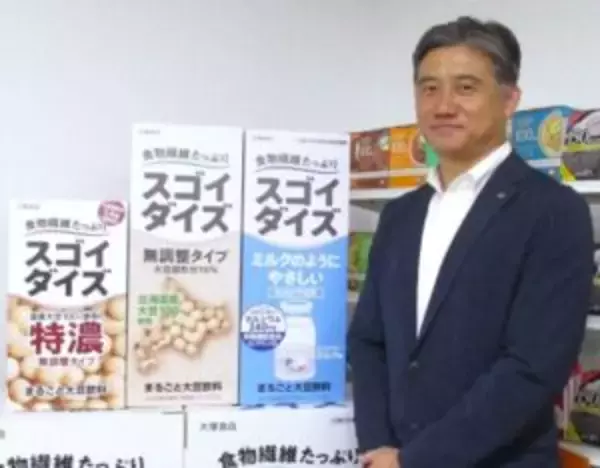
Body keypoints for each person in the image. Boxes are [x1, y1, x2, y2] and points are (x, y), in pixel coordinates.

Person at [347, 16, 594, 468]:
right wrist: (378, 446)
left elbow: (533, 368)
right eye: (429, 88)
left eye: (465, 87)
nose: (443, 106)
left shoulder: (553, 212)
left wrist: (417, 460)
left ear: (509, 99)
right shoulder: (400, 216)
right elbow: (368, 340)